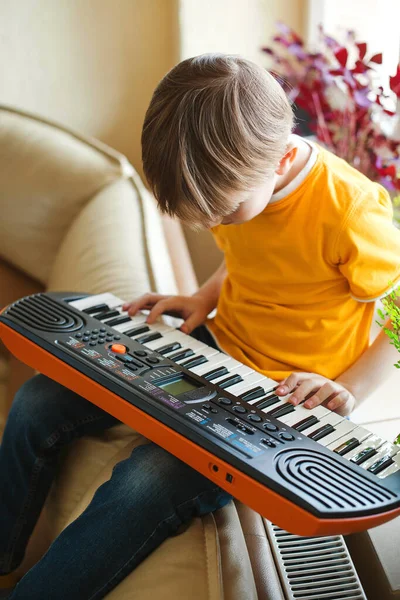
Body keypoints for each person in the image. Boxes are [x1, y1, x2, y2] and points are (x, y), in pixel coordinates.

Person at [1, 53, 399, 599]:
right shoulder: (243, 184)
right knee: (40, 398)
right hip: (217, 348)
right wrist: (203, 297)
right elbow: (246, 252)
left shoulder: (351, 211)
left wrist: (347, 389)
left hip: (289, 399)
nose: (214, 225)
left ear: (282, 159)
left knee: (147, 482)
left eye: (224, 213)